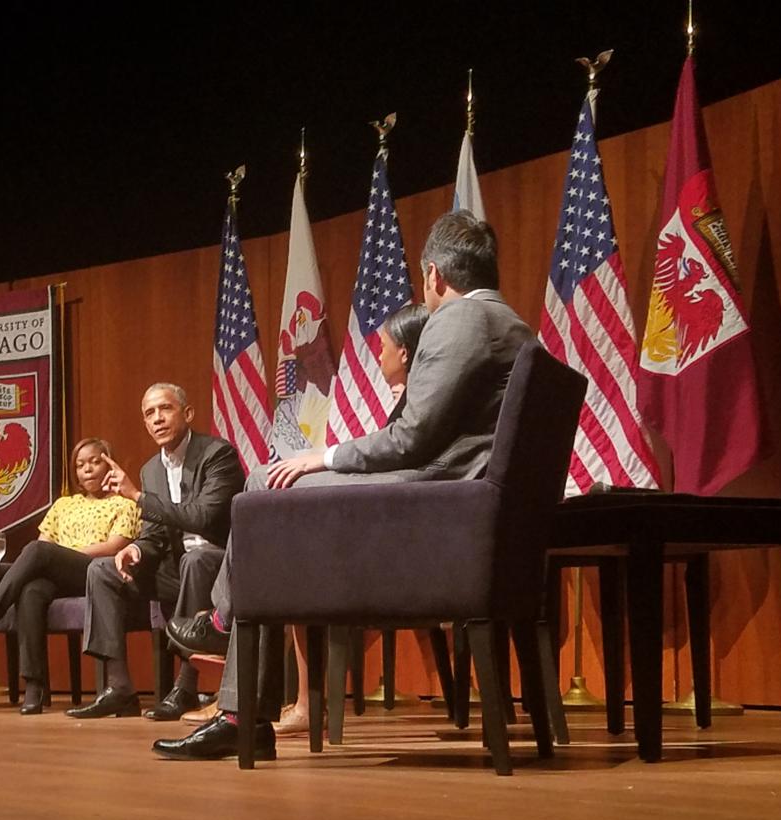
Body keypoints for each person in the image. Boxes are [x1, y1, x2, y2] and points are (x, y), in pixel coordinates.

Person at [154, 210, 533, 760]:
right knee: (269, 490)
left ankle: (226, 645)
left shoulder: (458, 320)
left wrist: (323, 456)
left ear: (434, 275)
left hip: (428, 505)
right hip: (456, 505)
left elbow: (411, 440)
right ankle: (234, 676)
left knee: (264, 485)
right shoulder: (515, 326)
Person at [273, 302, 430, 736]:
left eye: (383, 348)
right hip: (400, 534)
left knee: (295, 559)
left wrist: (320, 463)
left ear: (404, 353)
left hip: (404, 552)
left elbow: (395, 464)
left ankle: (302, 700)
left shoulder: (422, 404)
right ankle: (297, 698)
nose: (377, 356)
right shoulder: (414, 401)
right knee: (295, 557)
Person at [65, 383, 245, 720]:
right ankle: (118, 688)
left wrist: (137, 498)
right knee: (101, 570)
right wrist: (136, 548)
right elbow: (155, 536)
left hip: (221, 567)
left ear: (187, 413)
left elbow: (204, 516)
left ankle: (186, 687)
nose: (158, 419)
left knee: (195, 558)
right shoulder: (151, 469)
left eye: (165, 409)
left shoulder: (218, 454)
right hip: (176, 569)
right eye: (150, 413)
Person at [0, 437, 141, 713]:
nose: (87, 469)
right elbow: (43, 542)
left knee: (38, 552)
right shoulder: (64, 505)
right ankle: (34, 686)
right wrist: (55, 557)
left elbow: (115, 546)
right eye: (80, 465)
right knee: (32, 590)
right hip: (61, 573)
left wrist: (66, 553)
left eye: (95, 462)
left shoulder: (125, 504)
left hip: (97, 572)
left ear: (110, 464)